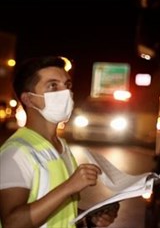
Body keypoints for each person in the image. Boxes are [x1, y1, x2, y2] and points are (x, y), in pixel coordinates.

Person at [0, 56, 120, 228]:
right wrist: (69, 186)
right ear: (29, 99)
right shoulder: (16, 152)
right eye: (53, 86)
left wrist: (88, 218)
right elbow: (12, 223)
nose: (65, 92)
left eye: (67, 85)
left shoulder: (62, 148)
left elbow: (59, 211)